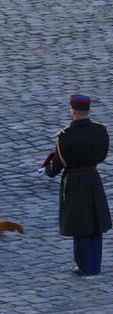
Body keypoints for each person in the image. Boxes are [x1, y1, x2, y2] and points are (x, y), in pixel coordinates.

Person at [44, 95, 110, 276]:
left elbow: (56, 167)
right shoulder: (100, 131)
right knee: (95, 223)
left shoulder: (65, 136)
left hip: (74, 183)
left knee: (80, 224)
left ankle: (85, 266)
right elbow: (102, 155)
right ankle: (94, 265)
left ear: (72, 111)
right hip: (93, 179)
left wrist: (48, 169)